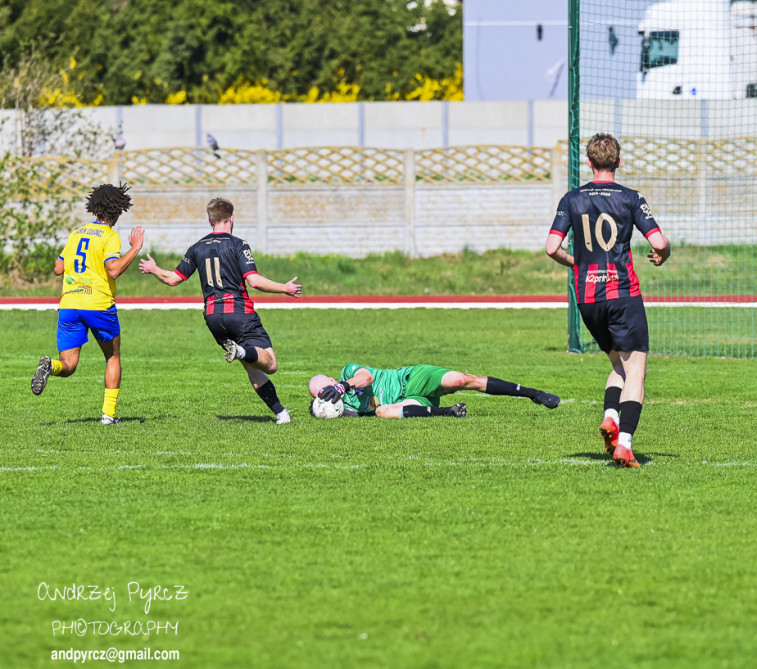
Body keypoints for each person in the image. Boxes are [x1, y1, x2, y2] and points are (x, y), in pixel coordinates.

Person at [545, 133, 670, 468]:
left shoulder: (571, 198)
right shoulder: (630, 198)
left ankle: (611, 417)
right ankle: (624, 443)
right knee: (637, 370)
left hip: (588, 298)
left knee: (619, 365)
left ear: (589, 163)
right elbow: (659, 240)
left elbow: (551, 247)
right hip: (622, 293)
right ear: (619, 161)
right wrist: (663, 255)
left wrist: (578, 263)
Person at [138, 197, 301, 424]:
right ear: (231, 219)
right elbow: (254, 281)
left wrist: (154, 269)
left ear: (210, 221)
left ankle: (281, 414)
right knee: (270, 364)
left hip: (214, 318)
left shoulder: (196, 248)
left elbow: (173, 279)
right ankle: (243, 352)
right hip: (239, 312)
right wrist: (285, 288)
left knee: (252, 367)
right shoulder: (238, 244)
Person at [31, 183, 145, 425]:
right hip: (97, 304)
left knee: (69, 365)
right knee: (112, 356)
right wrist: (135, 248)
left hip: (69, 304)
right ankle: (108, 416)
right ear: (115, 211)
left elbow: (58, 268)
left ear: (95, 208)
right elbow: (113, 270)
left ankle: (49, 365)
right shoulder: (110, 237)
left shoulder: (77, 233)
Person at [307, 363, 560, 418]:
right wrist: (318, 409)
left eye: (327, 388)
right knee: (383, 412)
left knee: (462, 380)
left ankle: (532, 393)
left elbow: (367, 377)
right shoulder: (341, 407)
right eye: (322, 394)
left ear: (332, 379)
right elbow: (346, 414)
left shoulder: (348, 372)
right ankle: (447, 412)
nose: (328, 394)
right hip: (409, 401)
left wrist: (343, 385)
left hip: (412, 379)